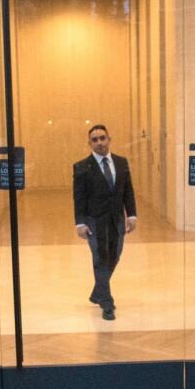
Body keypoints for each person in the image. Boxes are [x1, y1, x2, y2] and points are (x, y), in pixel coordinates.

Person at [72, 124, 137, 321]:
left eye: (102, 138)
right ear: (89, 143)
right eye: (95, 139)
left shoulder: (121, 162)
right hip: (94, 221)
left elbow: (128, 190)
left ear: (109, 139)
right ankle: (107, 303)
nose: (99, 142)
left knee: (114, 255)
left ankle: (97, 292)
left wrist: (132, 215)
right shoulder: (82, 167)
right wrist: (80, 223)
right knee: (100, 258)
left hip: (116, 219)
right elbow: (79, 197)